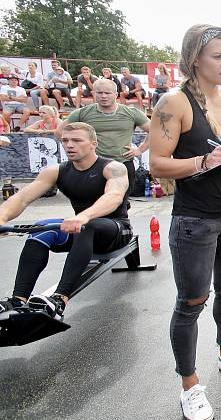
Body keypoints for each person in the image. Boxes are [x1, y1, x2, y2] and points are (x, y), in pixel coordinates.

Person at [148, 24, 221, 420]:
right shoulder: (173, 102)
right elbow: (156, 164)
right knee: (191, 302)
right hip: (194, 219)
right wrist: (201, 162)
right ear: (195, 58)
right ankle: (190, 385)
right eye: (218, 56)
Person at [0, 122, 131, 319]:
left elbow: (114, 196)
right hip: (80, 228)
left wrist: (83, 216)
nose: (70, 145)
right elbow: (21, 198)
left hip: (116, 230)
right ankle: (19, 298)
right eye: (65, 141)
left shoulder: (113, 168)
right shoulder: (56, 171)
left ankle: (59, 299)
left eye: (77, 140)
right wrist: (1, 217)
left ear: (93, 143)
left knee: (88, 226)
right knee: (42, 228)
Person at [60, 79, 151, 196]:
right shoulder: (82, 113)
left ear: (116, 94)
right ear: (94, 93)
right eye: (99, 92)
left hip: (123, 163)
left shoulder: (131, 113)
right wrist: (79, 150)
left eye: (107, 93)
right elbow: (60, 132)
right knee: (90, 202)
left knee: (120, 203)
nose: (103, 96)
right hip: (93, 165)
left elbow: (154, 131)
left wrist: (140, 149)